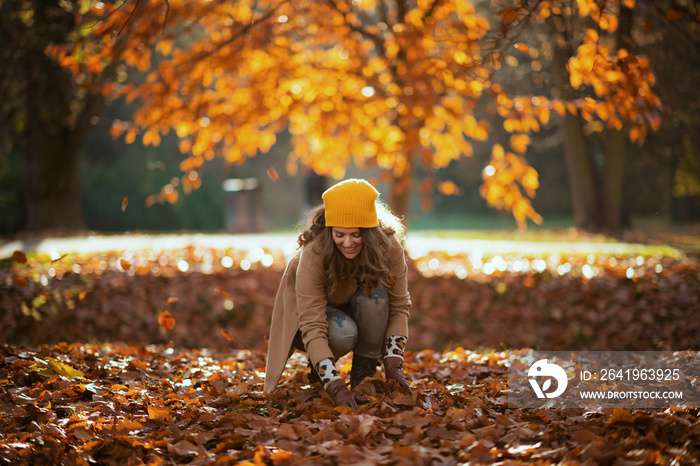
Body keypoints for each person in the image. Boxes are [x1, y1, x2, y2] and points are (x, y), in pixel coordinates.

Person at [264, 179, 412, 410]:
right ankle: (321, 369)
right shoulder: (314, 252)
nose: (348, 242)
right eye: (340, 234)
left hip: (354, 304)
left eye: (356, 235)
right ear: (330, 229)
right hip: (311, 319)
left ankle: (363, 376)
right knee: (343, 333)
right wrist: (336, 388)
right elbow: (312, 322)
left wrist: (394, 364)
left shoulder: (388, 246)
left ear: (370, 232)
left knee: (378, 298)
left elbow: (399, 305)